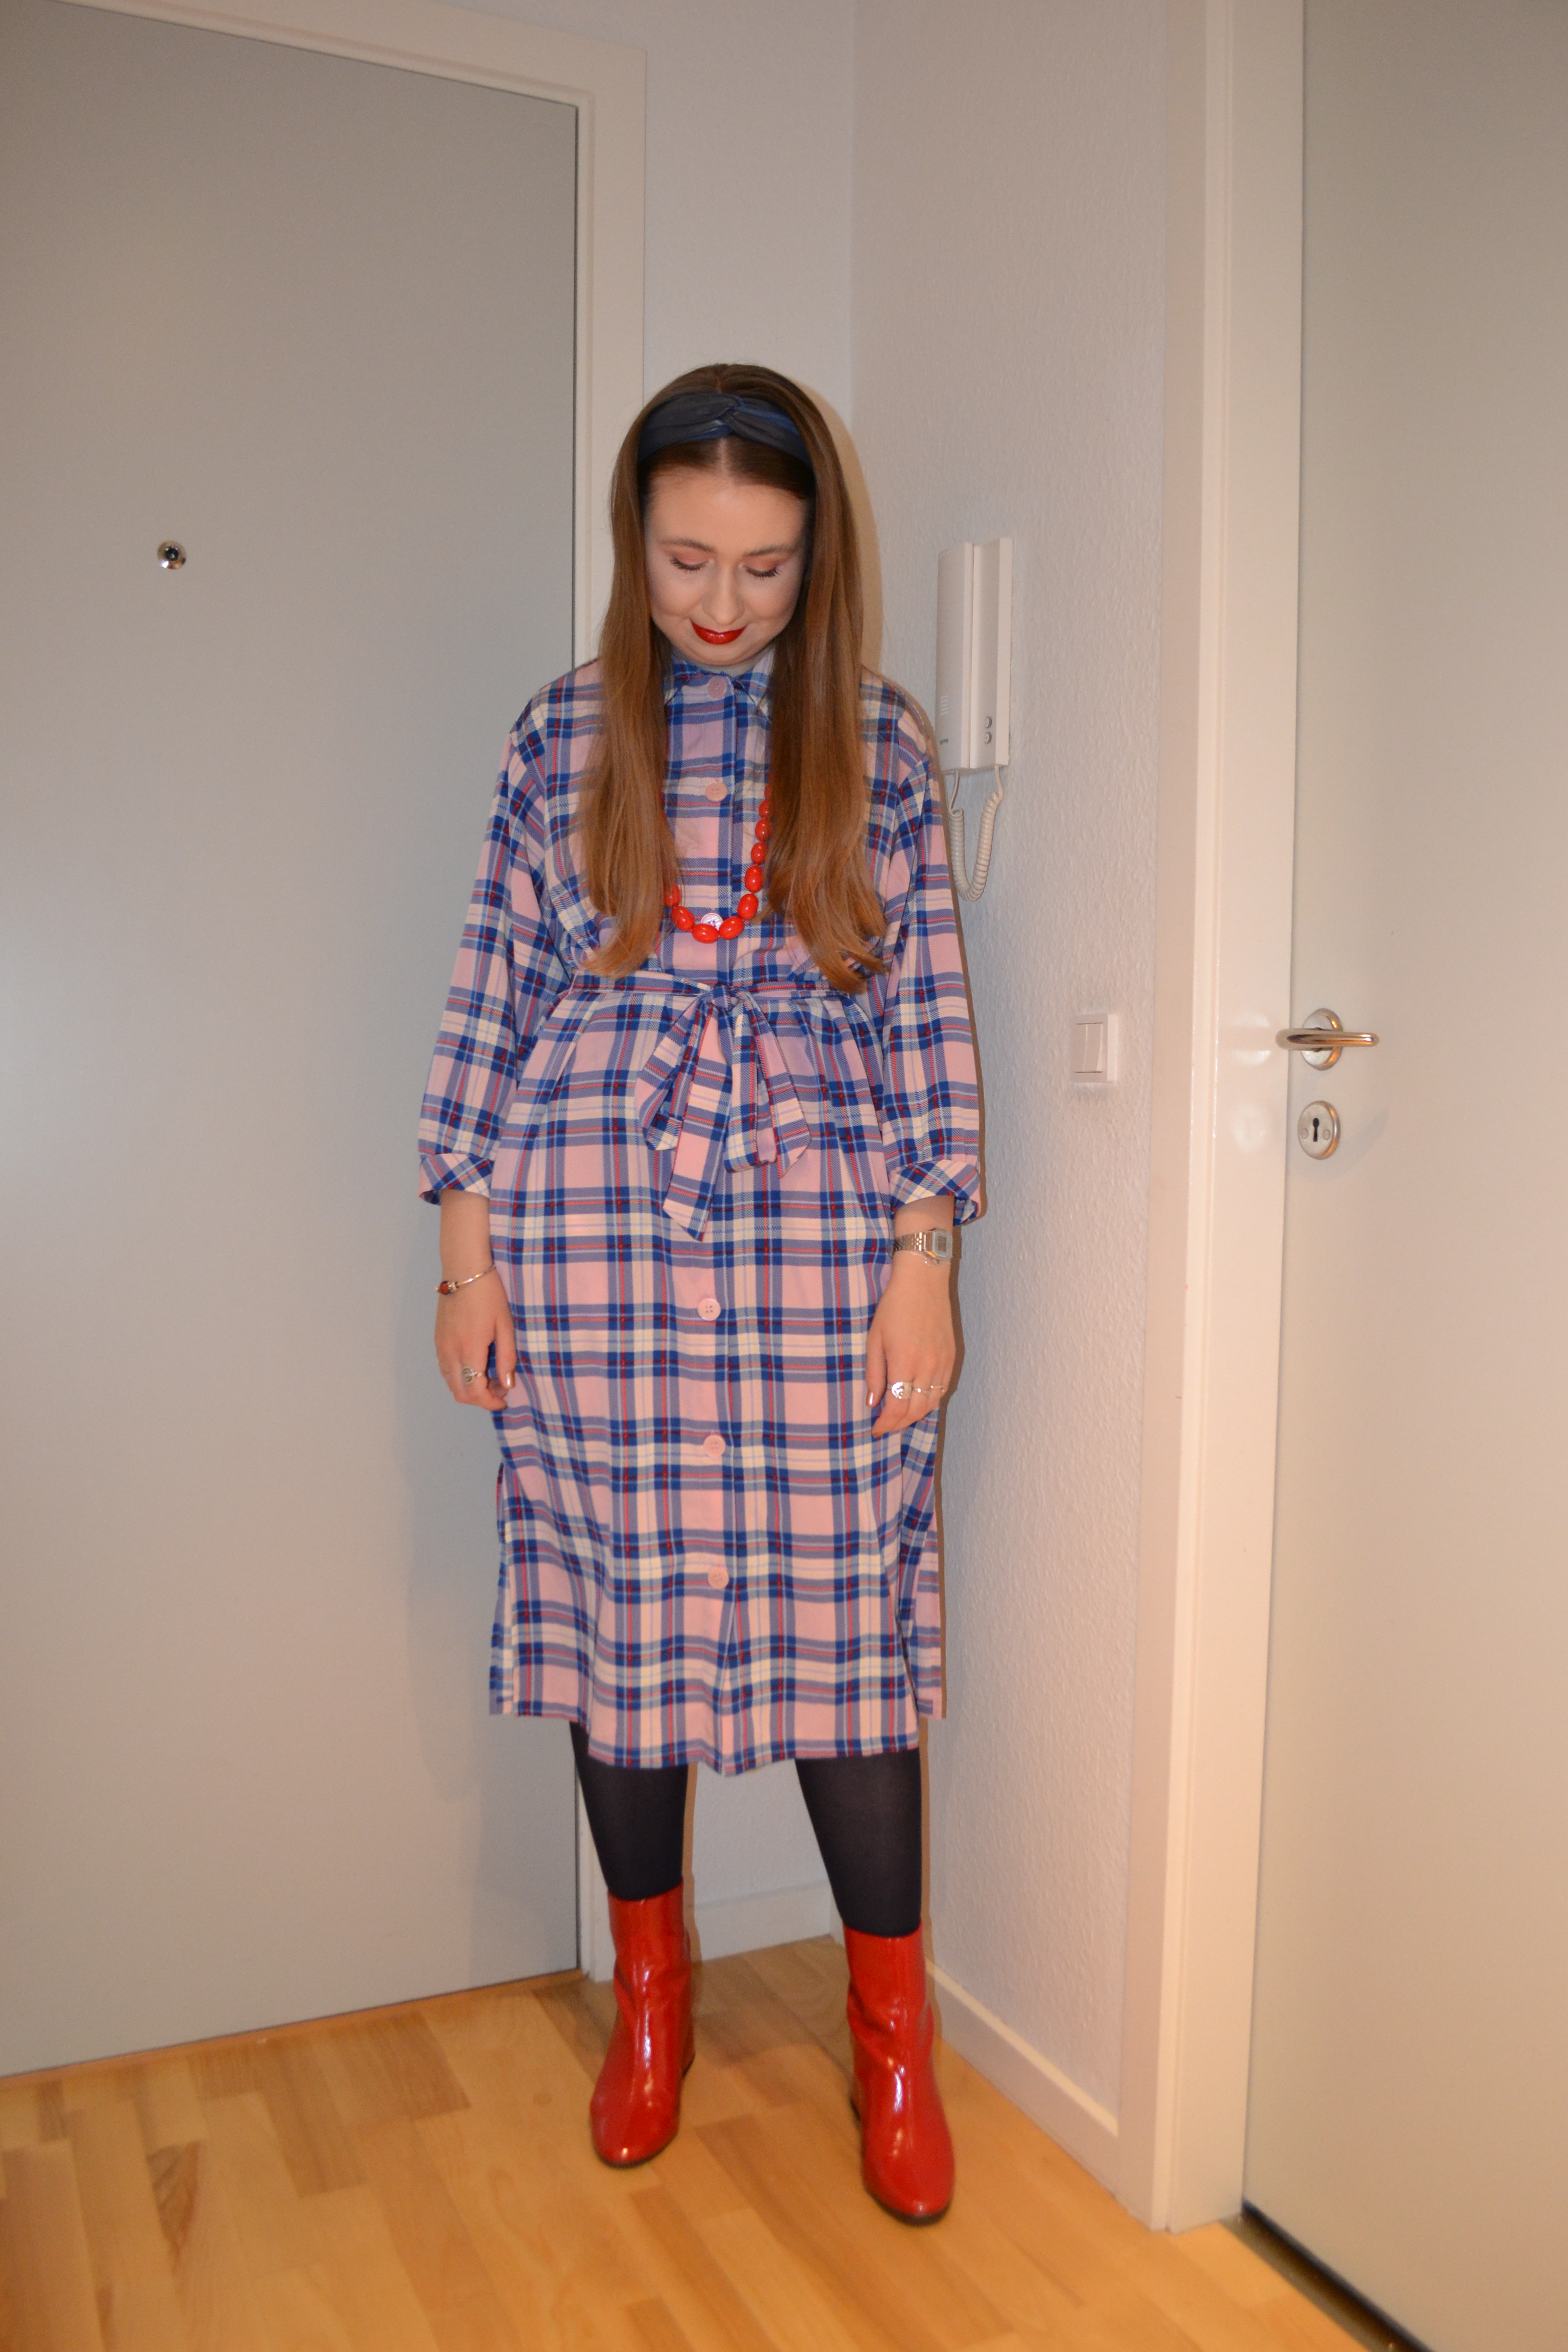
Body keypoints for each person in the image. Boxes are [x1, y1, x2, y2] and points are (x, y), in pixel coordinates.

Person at [419, 362, 981, 2222]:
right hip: (589, 1228)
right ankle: (648, 2004)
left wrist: (926, 1263)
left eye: (764, 566)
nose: (722, 603)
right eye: (685, 560)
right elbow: (490, 1002)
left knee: (848, 1628)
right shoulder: (561, 735)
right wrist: (464, 1261)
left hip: (824, 1234)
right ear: (631, 542)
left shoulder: (878, 746)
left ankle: (889, 2040)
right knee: (621, 1613)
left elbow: (925, 1013)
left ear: (819, 560)